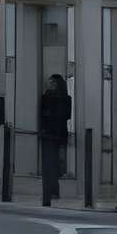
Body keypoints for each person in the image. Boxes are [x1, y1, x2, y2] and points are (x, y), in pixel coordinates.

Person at [39, 72, 71, 207]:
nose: (51, 85)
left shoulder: (65, 98)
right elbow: (42, 114)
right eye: (50, 83)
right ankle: (52, 191)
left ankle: (54, 189)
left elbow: (66, 115)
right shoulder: (45, 97)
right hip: (49, 133)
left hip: (58, 133)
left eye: (53, 83)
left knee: (57, 163)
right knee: (49, 163)